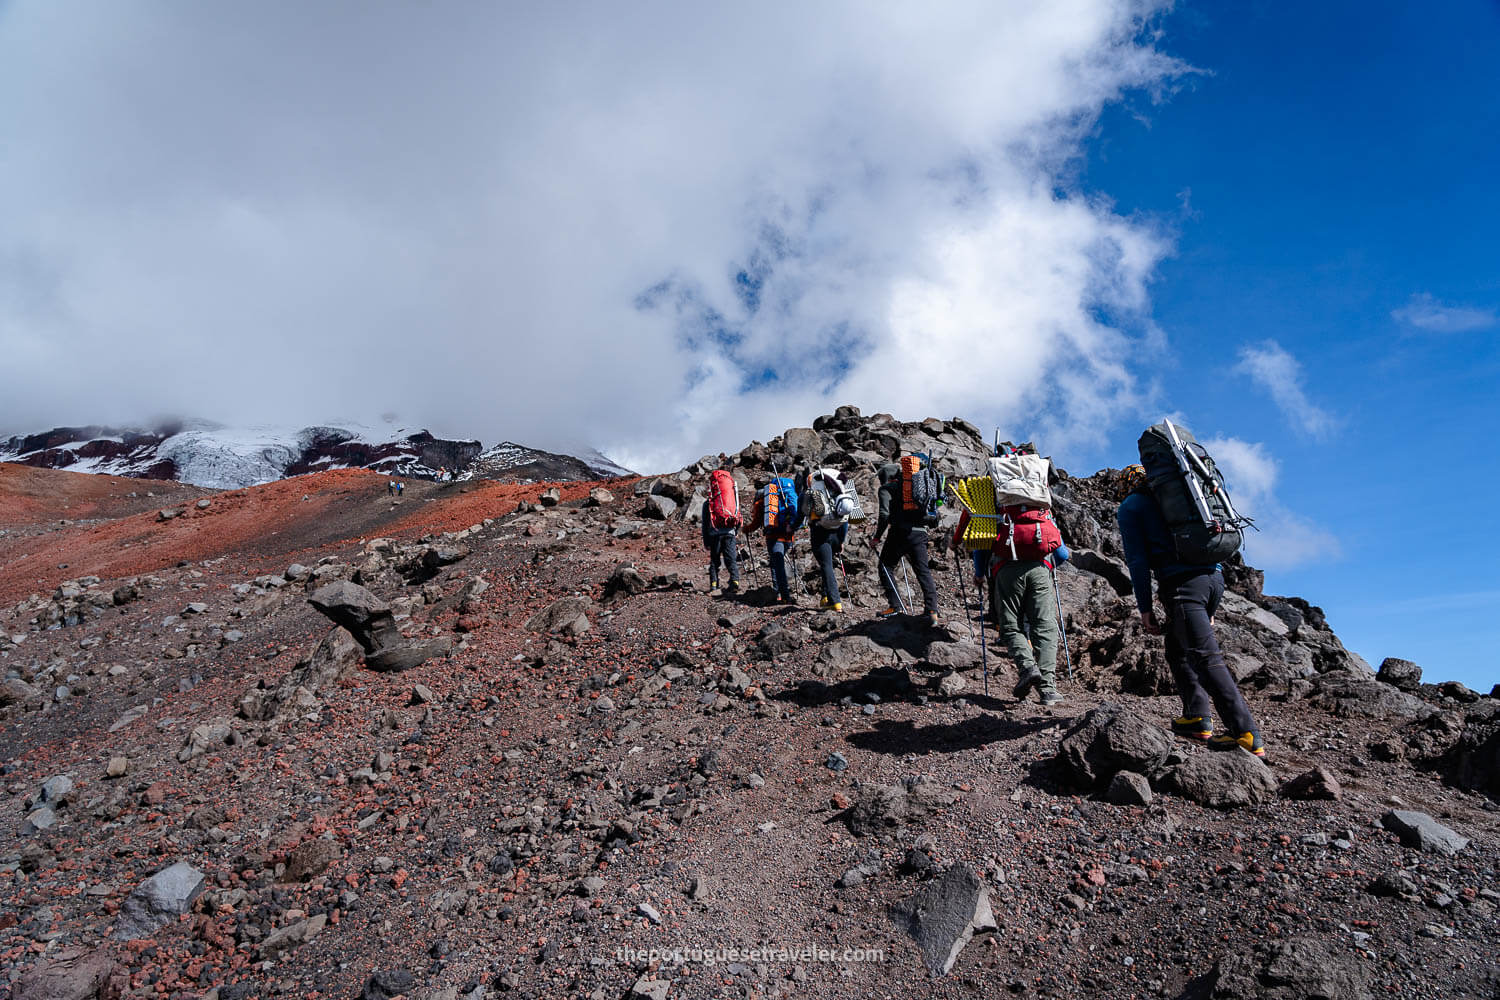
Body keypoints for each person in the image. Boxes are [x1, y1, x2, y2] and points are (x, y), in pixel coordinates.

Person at [1115, 464, 1266, 756]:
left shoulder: (1131, 506)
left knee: (1205, 658)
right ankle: (1197, 716)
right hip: (1213, 579)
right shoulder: (1182, 496)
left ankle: (1245, 733)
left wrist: (1145, 608)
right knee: (1176, 648)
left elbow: (1137, 562)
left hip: (1184, 587)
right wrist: (1211, 602)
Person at [988, 504, 1070, 707]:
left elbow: (984, 546)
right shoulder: (1042, 509)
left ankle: (1027, 667)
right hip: (1040, 569)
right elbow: (1063, 555)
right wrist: (1047, 567)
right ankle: (1048, 690)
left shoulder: (999, 507)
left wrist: (980, 572)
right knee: (1044, 627)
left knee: (1010, 626)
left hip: (1006, 570)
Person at [872, 462, 939, 627]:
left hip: (899, 533)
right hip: (920, 533)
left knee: (885, 566)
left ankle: (895, 606)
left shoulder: (887, 489)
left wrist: (877, 537)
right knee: (923, 571)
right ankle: (932, 611)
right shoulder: (914, 486)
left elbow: (884, 514)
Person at [802, 467, 852, 611]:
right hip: (838, 531)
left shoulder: (810, 493)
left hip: (820, 534)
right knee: (828, 564)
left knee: (826, 566)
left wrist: (791, 528)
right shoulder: (837, 494)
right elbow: (845, 519)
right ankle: (825, 596)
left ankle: (835, 601)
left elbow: (803, 514)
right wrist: (841, 540)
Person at [749, 478, 803, 604]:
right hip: (788, 535)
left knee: (777, 564)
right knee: (777, 561)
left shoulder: (766, 498)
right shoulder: (789, 494)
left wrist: (746, 529)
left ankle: (783, 595)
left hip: (774, 535)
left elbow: (757, 520)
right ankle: (779, 590)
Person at [701, 495, 740, 594]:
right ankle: (735, 582)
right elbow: (738, 516)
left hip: (715, 534)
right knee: (731, 559)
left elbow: (705, 524)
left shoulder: (708, 503)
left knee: (715, 561)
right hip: (729, 533)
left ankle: (714, 585)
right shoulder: (730, 499)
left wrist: (706, 541)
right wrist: (736, 531)